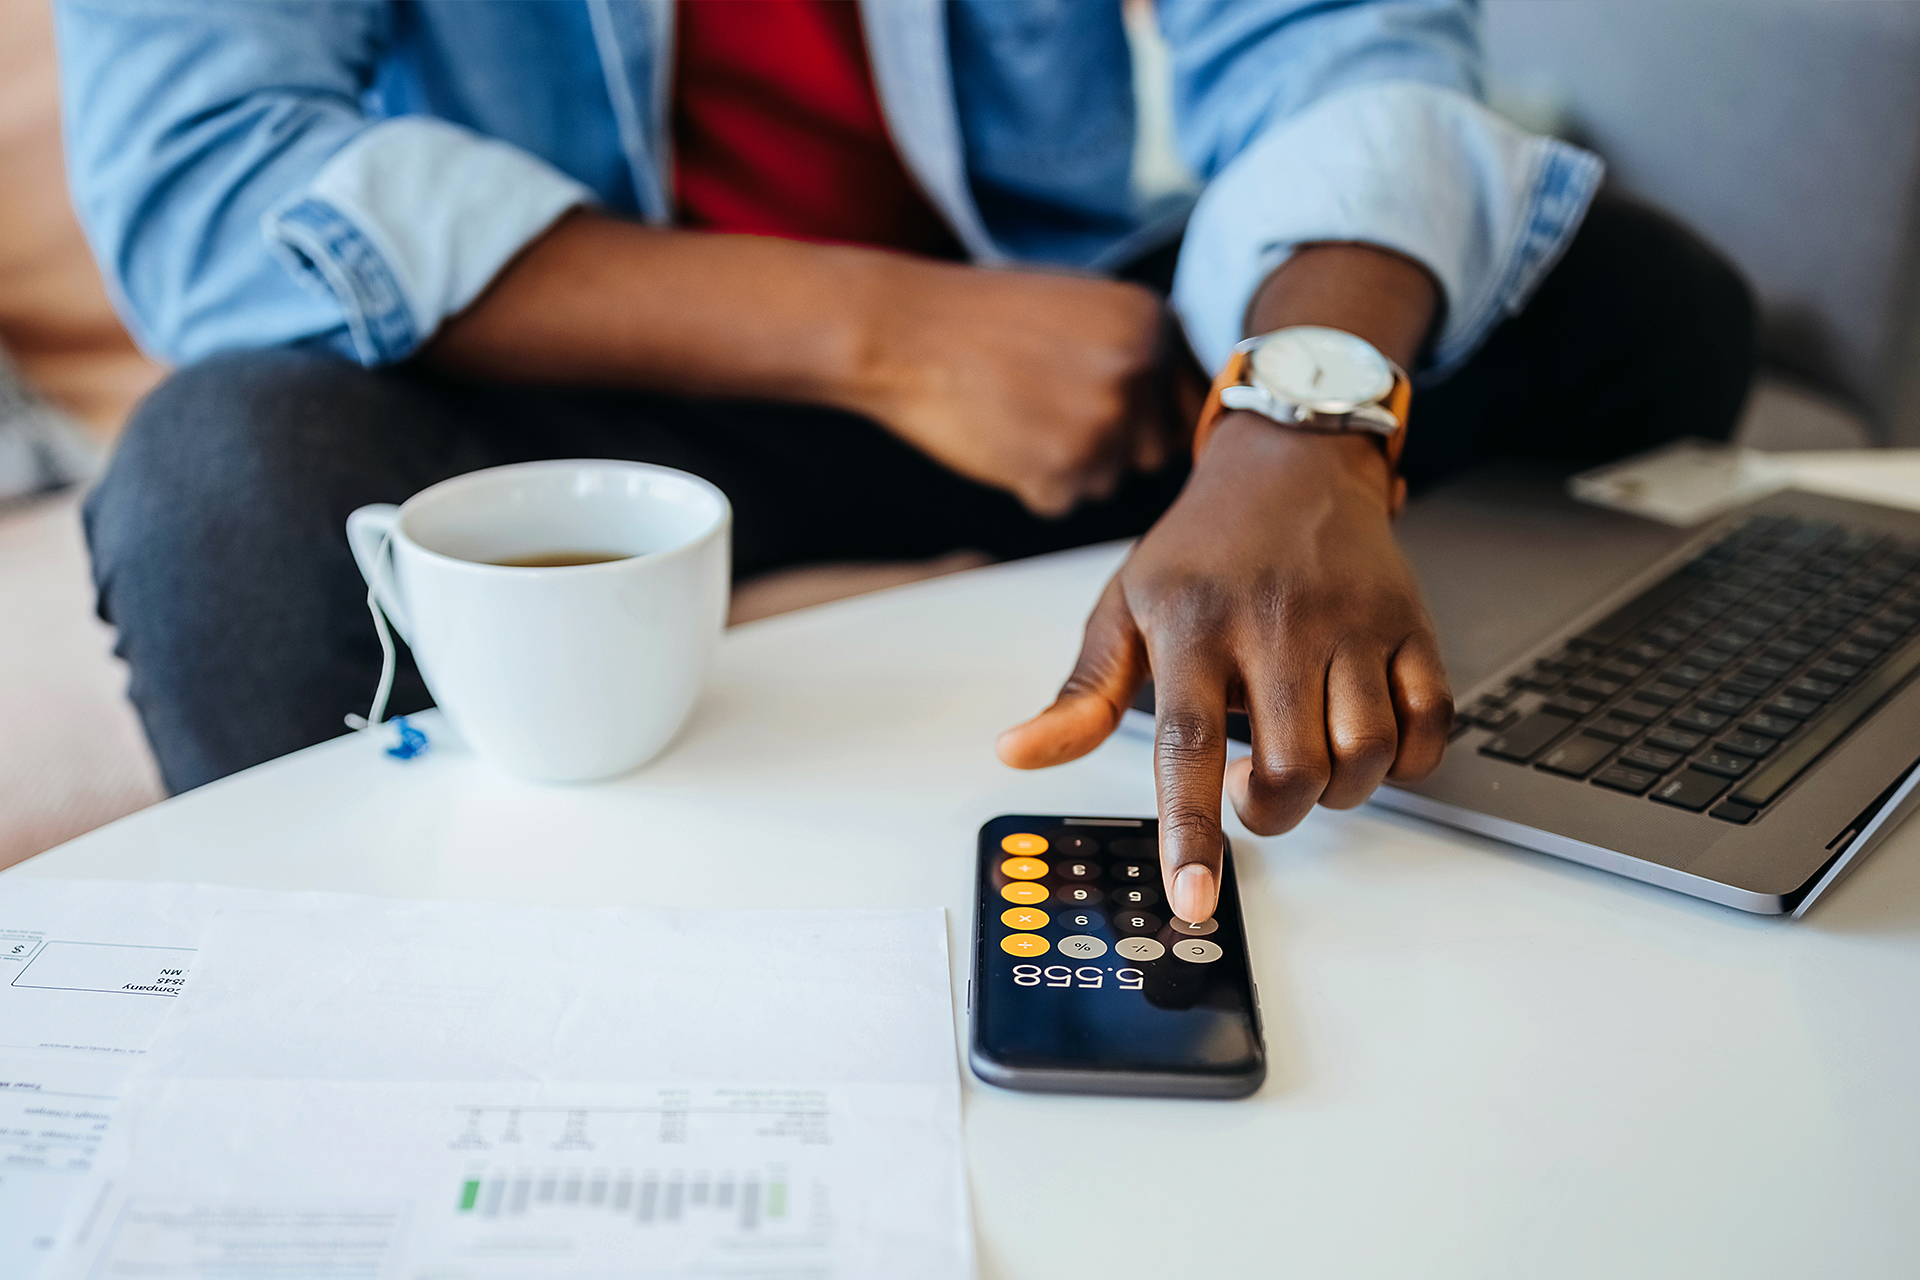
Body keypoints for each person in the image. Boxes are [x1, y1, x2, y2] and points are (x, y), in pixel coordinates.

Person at [58, 0, 1752, 924]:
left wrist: (1297, 424)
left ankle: (1501, 826)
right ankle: (380, 1009)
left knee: (1634, 299)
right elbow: (207, 180)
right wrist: (897, 334)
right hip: (605, 368)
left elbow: (1346, 42)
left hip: (1081, 363)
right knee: (225, 479)